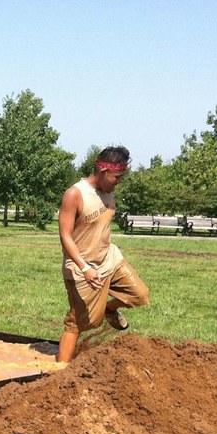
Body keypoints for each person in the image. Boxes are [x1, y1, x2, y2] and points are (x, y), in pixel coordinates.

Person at [57, 146, 150, 363]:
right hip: (82, 268)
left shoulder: (109, 193)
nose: (119, 182)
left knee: (140, 295)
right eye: (117, 177)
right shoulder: (75, 194)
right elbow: (65, 236)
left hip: (111, 260)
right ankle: (58, 375)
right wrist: (85, 267)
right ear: (102, 170)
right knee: (77, 324)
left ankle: (109, 308)